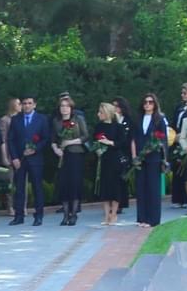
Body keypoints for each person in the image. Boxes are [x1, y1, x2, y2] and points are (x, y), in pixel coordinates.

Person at [7, 94, 49, 225]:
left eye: (29, 103)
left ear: (34, 105)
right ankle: (19, 216)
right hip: (20, 159)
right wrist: (14, 157)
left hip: (35, 159)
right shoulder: (15, 119)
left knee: (37, 187)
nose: (27, 106)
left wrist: (35, 149)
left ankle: (38, 215)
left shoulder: (42, 119)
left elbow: (46, 138)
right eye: (24, 103)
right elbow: (10, 140)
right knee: (19, 188)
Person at [49, 97, 91, 225]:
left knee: (74, 183)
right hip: (62, 156)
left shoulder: (78, 119)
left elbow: (85, 136)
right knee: (64, 184)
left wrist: (70, 142)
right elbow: (53, 139)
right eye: (62, 106)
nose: (64, 108)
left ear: (71, 108)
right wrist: (56, 149)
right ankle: (66, 214)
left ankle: (74, 213)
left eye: (67, 106)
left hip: (76, 154)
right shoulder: (56, 121)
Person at [131, 93, 171, 226]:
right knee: (141, 188)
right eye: (145, 102)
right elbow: (133, 139)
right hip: (140, 158)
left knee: (153, 189)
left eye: (150, 102)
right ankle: (142, 218)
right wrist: (134, 156)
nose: (147, 104)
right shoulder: (138, 119)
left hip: (154, 158)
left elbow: (163, 140)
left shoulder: (159, 119)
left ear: (155, 104)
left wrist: (164, 158)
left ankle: (152, 219)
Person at [93, 101, 132, 226]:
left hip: (115, 159)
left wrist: (109, 142)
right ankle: (106, 215)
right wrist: (98, 149)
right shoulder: (99, 126)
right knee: (105, 188)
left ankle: (114, 214)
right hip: (104, 159)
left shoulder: (118, 127)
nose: (98, 114)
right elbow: (94, 140)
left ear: (107, 113)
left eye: (101, 112)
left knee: (115, 188)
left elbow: (123, 143)